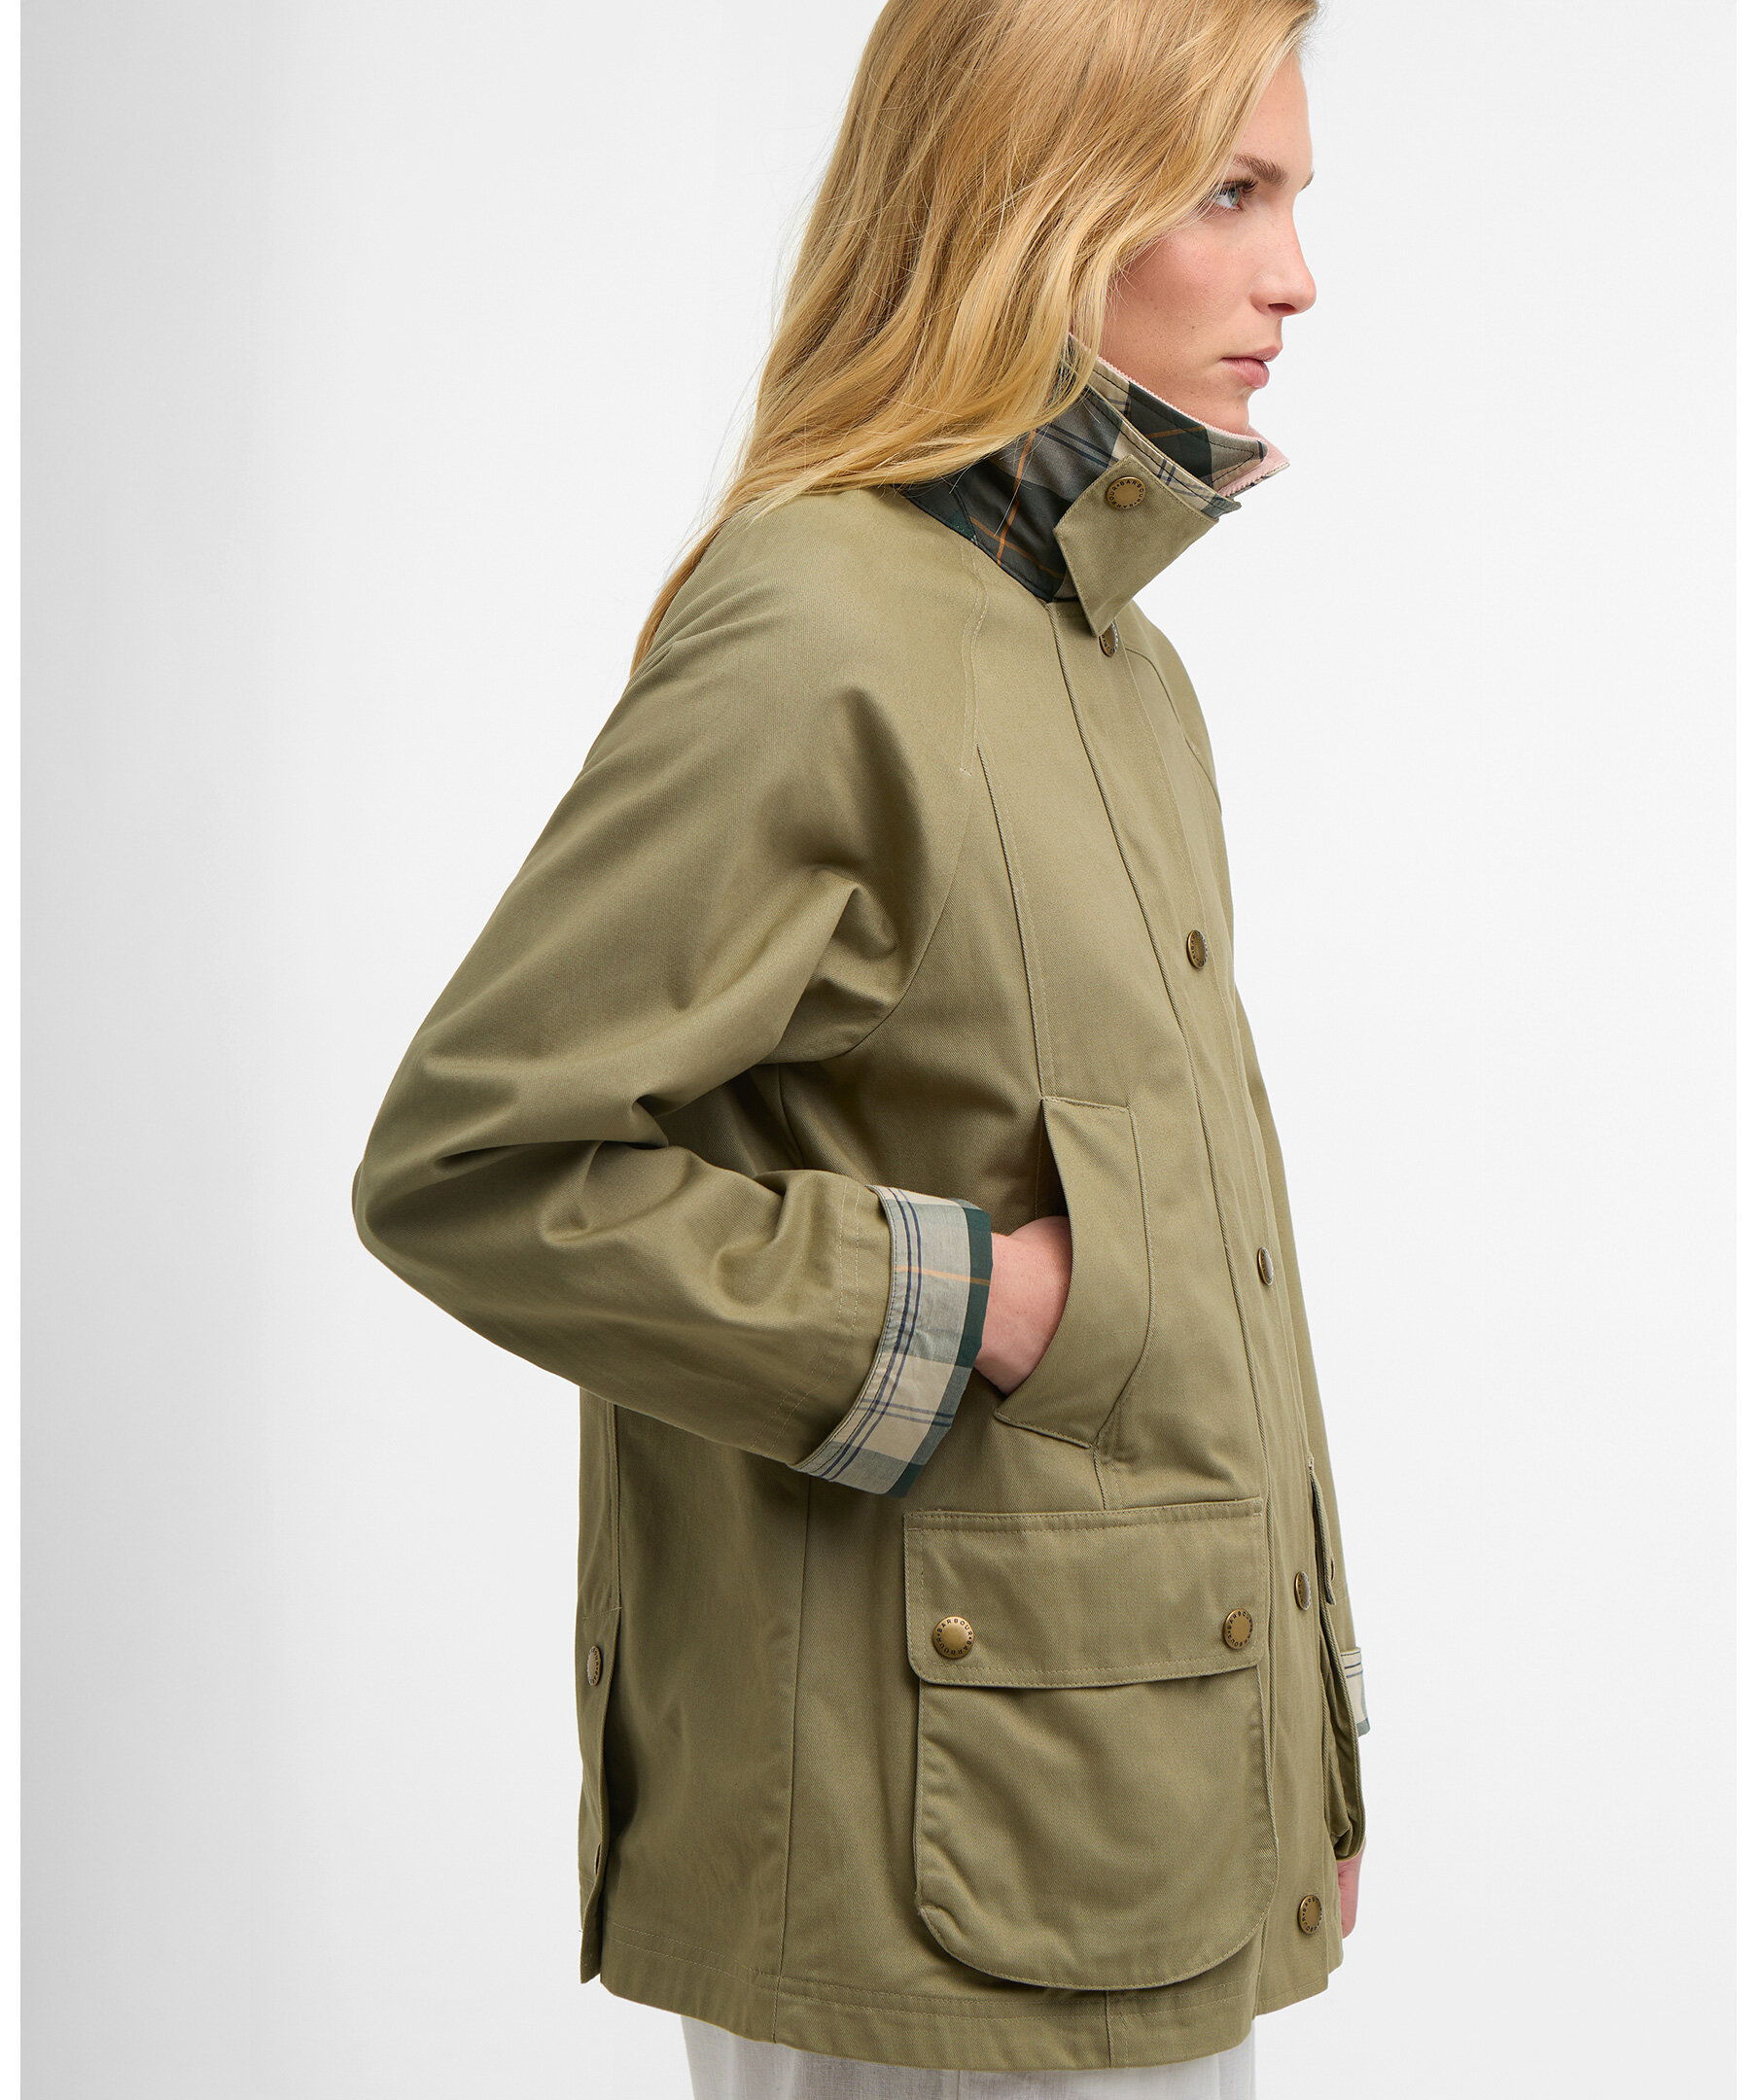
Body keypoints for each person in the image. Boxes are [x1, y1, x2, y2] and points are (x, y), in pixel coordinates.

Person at [351, 0, 1369, 2091]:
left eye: (1292, 196)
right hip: (931, 1833)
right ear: (1037, 203)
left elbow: (1209, 1275)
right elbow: (474, 1167)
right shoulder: (824, 624)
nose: (1295, 276)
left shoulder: (1122, 666)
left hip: (1136, 1782)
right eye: (1228, 193)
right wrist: (955, 1302)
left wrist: (1305, 1763)